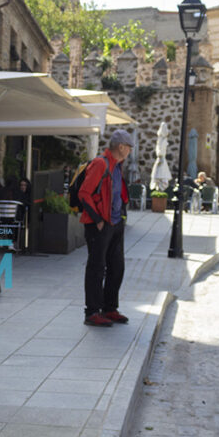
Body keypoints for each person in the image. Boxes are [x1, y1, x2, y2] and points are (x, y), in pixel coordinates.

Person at [79, 128, 132, 327]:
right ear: (121, 147)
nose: (130, 151)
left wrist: (121, 218)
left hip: (116, 224)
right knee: (96, 268)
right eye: (129, 147)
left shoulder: (117, 165)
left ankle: (109, 308)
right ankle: (92, 312)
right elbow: (84, 194)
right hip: (99, 225)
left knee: (117, 267)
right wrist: (98, 219)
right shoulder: (100, 164)